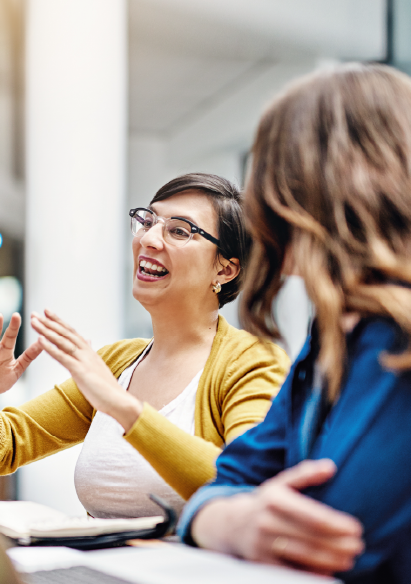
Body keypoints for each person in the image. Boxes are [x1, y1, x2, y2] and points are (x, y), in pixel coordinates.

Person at [179, 64, 411, 582]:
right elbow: (228, 479)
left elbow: (330, 536)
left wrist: (235, 517)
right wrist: (234, 520)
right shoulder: (327, 344)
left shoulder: (396, 338)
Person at [0, 173, 291, 518]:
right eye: (148, 221)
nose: (149, 239)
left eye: (178, 230)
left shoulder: (253, 362)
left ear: (225, 270)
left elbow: (246, 486)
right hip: (96, 570)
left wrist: (122, 407)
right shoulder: (118, 361)